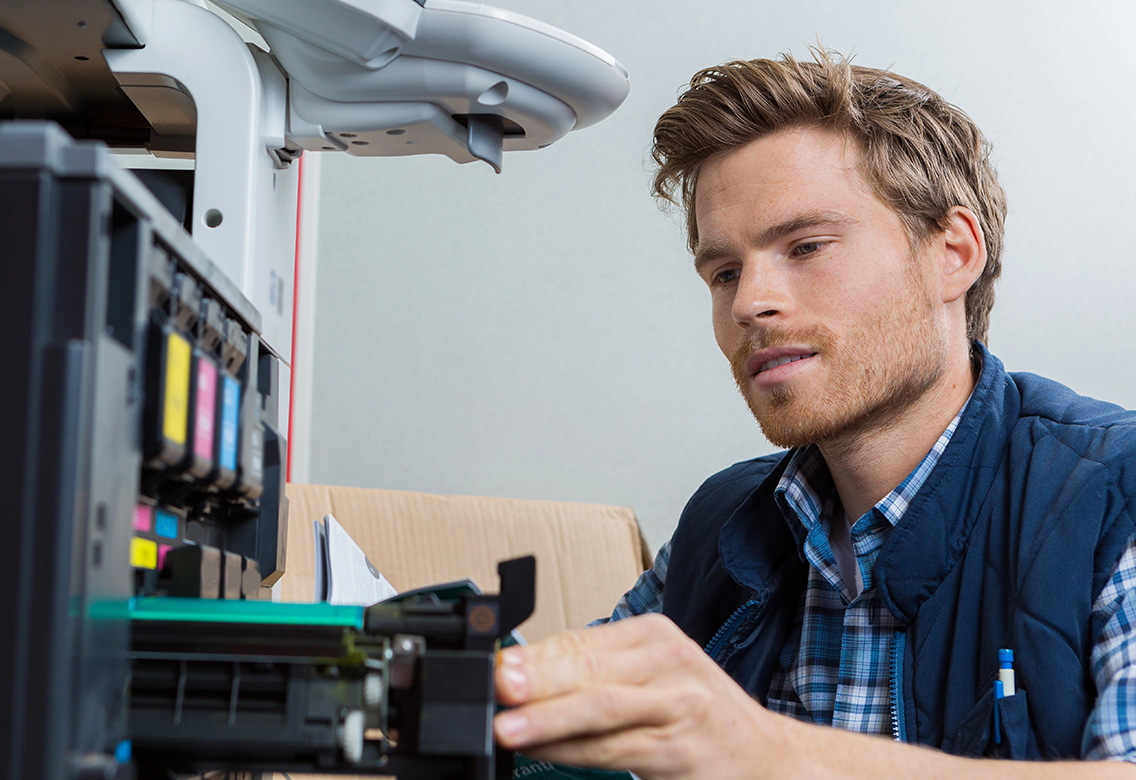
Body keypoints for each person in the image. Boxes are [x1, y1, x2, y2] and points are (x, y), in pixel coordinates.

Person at [490, 49, 1136, 778]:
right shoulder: (724, 522)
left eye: (805, 246)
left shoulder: (1114, 494)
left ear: (953, 253)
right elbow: (545, 738)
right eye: (724, 271)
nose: (748, 304)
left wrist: (760, 752)